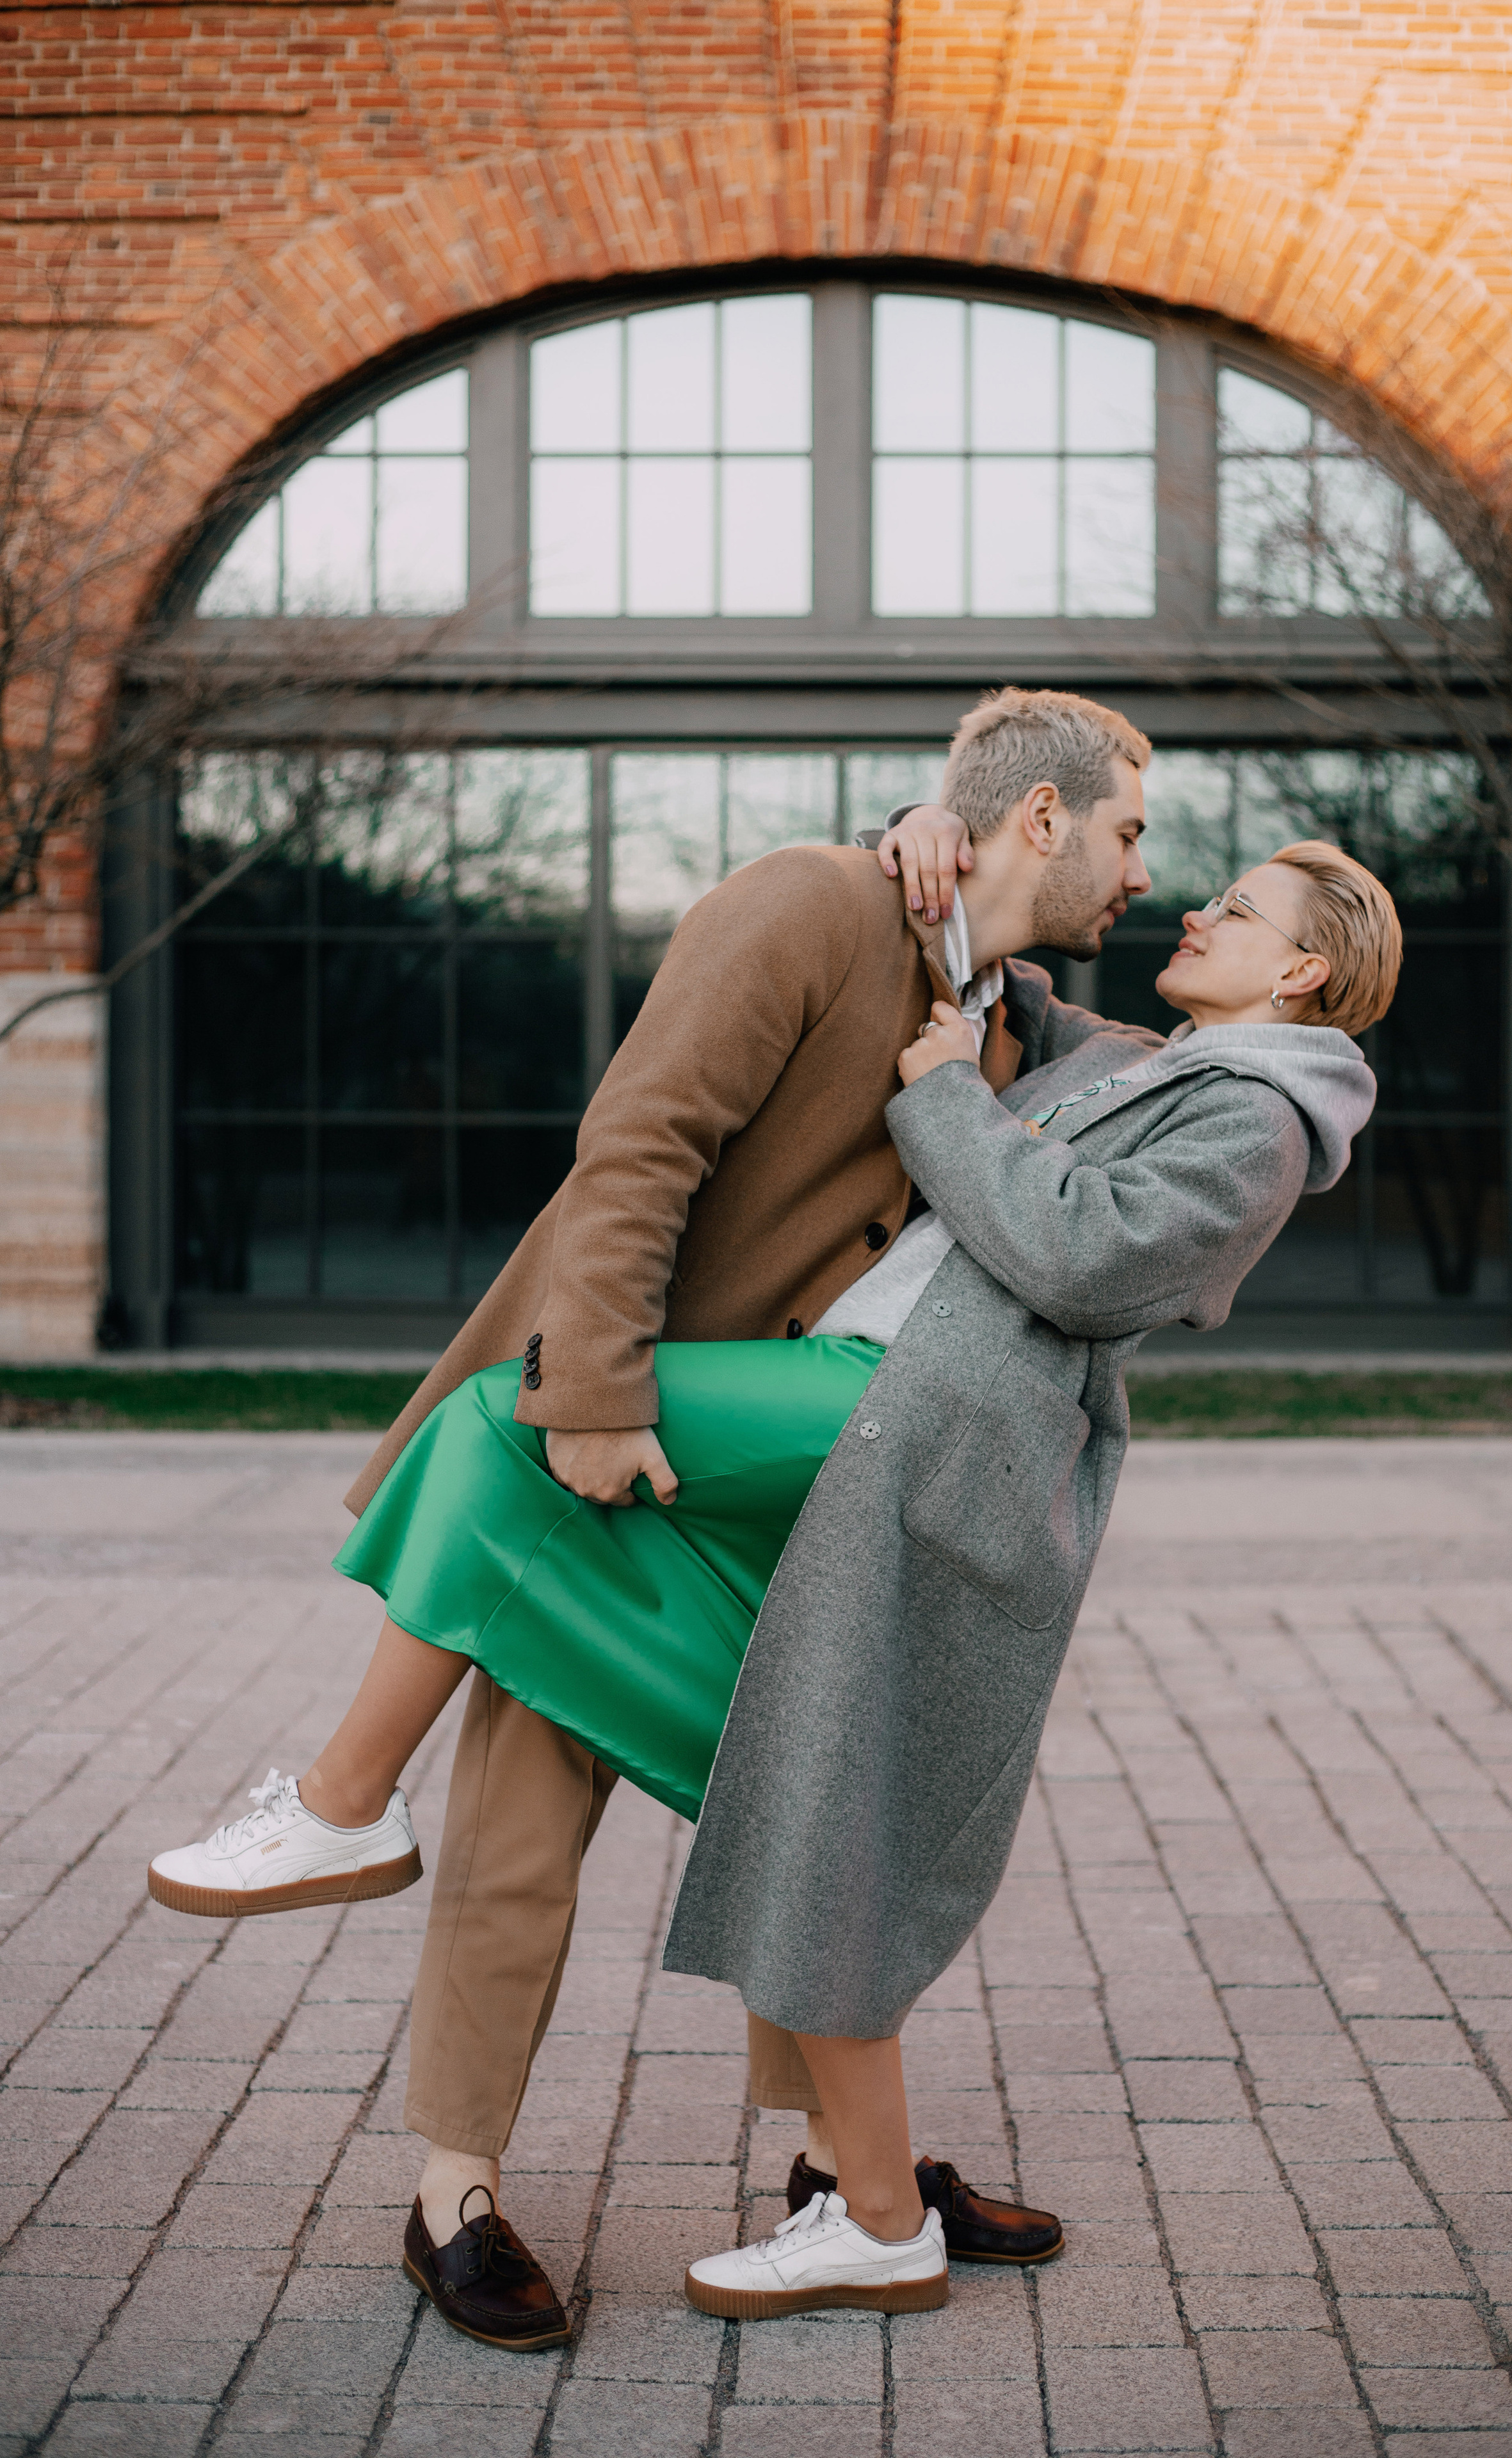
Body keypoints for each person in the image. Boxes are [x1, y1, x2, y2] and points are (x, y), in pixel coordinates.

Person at [147, 687, 1157, 2345]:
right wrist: (601, 1403)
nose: (1143, 869)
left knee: (818, 1817)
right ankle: (450, 2197)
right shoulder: (812, 904)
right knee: (527, 1818)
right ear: (1039, 819)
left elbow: (1127, 1089)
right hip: (638, 1453)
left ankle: (849, 2168)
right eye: (1128, 827)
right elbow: (638, 1146)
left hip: (797, 1490)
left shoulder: (998, 1008)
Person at [669, 828, 1399, 2317]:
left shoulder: (1256, 1125)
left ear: (1303, 968)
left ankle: (875, 2222)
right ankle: (861, 2190)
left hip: (947, 1471)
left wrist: (938, 1095)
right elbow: (989, 975)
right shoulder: (1140, 1059)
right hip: (885, 1426)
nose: (1195, 906)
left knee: (840, 1813)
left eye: (1238, 908)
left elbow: (1070, 1254)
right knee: (818, 1796)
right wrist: (935, 836)